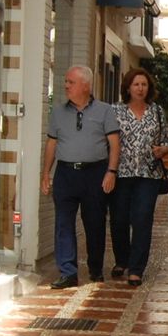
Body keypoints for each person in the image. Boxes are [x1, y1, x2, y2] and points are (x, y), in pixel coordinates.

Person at [39, 65, 117, 289]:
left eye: (70, 82)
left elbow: (114, 144)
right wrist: (46, 173)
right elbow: (52, 143)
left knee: (95, 223)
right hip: (65, 173)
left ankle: (95, 268)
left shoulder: (104, 111)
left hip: (95, 174)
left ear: (85, 85)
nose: (66, 86)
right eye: (66, 82)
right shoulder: (58, 112)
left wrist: (111, 172)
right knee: (63, 223)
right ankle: (68, 271)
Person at [106, 67, 168, 287]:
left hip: (149, 174)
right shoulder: (115, 111)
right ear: (128, 87)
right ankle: (122, 259)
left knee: (143, 219)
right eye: (136, 84)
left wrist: (163, 150)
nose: (140, 88)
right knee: (119, 219)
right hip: (121, 173)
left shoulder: (157, 112)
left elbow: (167, 140)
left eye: (144, 84)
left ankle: (136, 269)